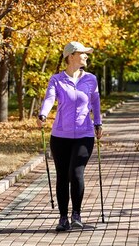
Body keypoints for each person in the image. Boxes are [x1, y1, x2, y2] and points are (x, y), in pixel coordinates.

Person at [38, 41, 103, 231]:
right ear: (71, 56)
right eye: (83, 53)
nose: (86, 56)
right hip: (60, 136)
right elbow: (50, 98)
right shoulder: (57, 80)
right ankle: (63, 217)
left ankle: (76, 213)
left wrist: (98, 122)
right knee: (62, 176)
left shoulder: (91, 79)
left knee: (76, 173)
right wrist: (43, 114)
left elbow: (96, 103)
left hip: (84, 134)